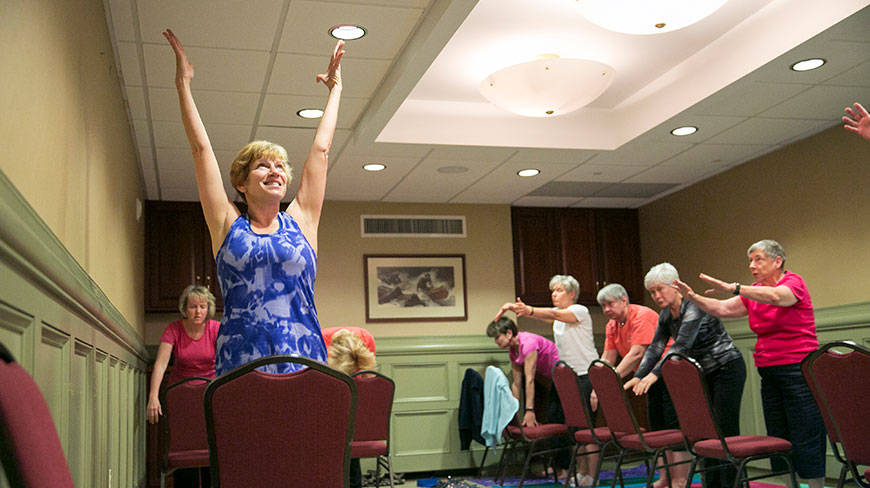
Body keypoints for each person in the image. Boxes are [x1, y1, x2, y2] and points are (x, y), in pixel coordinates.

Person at [163, 29, 345, 376]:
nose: (275, 171)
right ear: (241, 183)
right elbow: (201, 151)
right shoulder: (228, 224)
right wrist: (183, 85)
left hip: (305, 361)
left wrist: (335, 91)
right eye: (263, 165)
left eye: (280, 166)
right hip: (241, 364)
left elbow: (321, 151)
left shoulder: (302, 220)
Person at [672, 240, 825, 488]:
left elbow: (777, 297)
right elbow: (721, 308)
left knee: (806, 433)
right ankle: (789, 485)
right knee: (779, 436)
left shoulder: (793, 282)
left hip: (799, 371)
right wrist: (692, 297)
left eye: (758, 259)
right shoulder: (753, 291)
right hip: (769, 372)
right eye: (750, 261)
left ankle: (816, 486)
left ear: (778, 261)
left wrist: (734, 287)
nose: (752, 265)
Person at [626, 264, 746, 488]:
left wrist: (653, 375)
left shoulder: (694, 307)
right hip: (704, 374)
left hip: (727, 369)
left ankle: (733, 484)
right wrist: (639, 375)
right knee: (706, 433)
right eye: (652, 292)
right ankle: (713, 484)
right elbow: (655, 347)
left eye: (659, 289)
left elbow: (680, 346)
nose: (656, 296)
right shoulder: (665, 314)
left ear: (675, 286)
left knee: (725, 433)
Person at [498, 276, 599, 484]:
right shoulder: (559, 319)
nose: (554, 294)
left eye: (559, 290)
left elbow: (552, 313)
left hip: (585, 375)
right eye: (553, 290)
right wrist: (523, 311)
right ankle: (580, 472)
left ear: (571, 294)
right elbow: (550, 316)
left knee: (587, 430)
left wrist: (529, 310)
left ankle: (592, 476)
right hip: (566, 379)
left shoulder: (580, 311)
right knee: (571, 428)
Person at [147, 285, 220, 487]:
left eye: (202, 307)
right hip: (180, 399)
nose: (198, 312)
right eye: (193, 306)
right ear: (185, 308)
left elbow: (226, 361)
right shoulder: (174, 329)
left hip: (208, 396)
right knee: (184, 448)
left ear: (208, 309)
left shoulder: (215, 328)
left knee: (208, 447)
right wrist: (153, 396)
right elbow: (161, 364)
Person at [486, 316, 563, 477]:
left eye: (497, 337)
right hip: (553, 380)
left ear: (508, 333)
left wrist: (529, 410)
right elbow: (516, 383)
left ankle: (564, 469)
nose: (495, 341)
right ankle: (558, 467)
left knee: (558, 420)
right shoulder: (513, 350)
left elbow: (530, 380)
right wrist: (513, 410)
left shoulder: (528, 343)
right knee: (554, 417)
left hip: (565, 377)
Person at [322, 327, 377, 488]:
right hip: (327, 391)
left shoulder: (367, 341)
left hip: (352, 398)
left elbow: (369, 381)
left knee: (350, 435)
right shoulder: (319, 341)